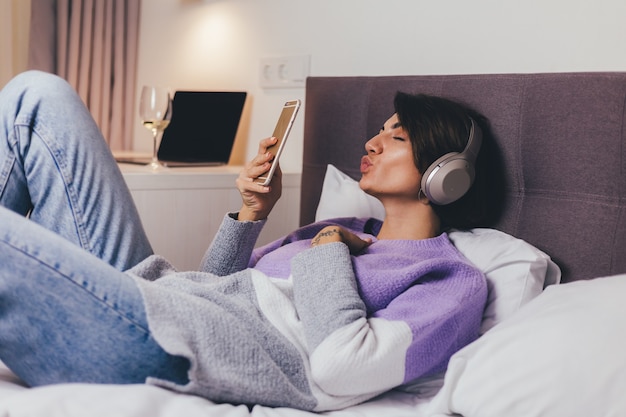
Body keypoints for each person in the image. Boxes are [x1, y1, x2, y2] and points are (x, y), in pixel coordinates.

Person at [0, 71, 490, 412]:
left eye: (397, 137)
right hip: (164, 299)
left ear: (447, 175)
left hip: (170, 346)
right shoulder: (344, 229)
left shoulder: (449, 280)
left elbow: (342, 367)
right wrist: (253, 213)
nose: (372, 143)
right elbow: (213, 286)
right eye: (380, 132)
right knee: (37, 96)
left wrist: (328, 245)